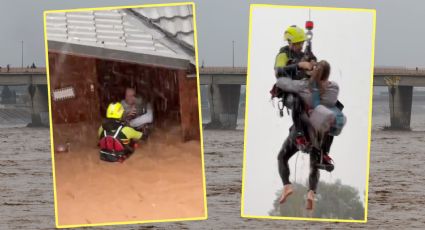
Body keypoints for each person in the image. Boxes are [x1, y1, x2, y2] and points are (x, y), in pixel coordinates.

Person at [275, 60, 340, 210]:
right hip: (320, 136)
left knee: (282, 157)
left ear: (315, 72)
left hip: (302, 133)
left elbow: (281, 80)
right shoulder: (334, 88)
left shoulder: (304, 86)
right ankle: (311, 192)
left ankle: (287, 186)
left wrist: (299, 66)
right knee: (314, 165)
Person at [272, 25, 335, 168]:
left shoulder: (306, 53)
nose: (300, 46)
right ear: (289, 43)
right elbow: (279, 71)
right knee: (296, 101)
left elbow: (315, 68)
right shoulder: (283, 55)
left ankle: (324, 152)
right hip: (290, 93)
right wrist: (299, 65)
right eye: (297, 44)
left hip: (307, 90)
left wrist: (314, 64)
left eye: (301, 43)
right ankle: (299, 135)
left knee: (333, 110)